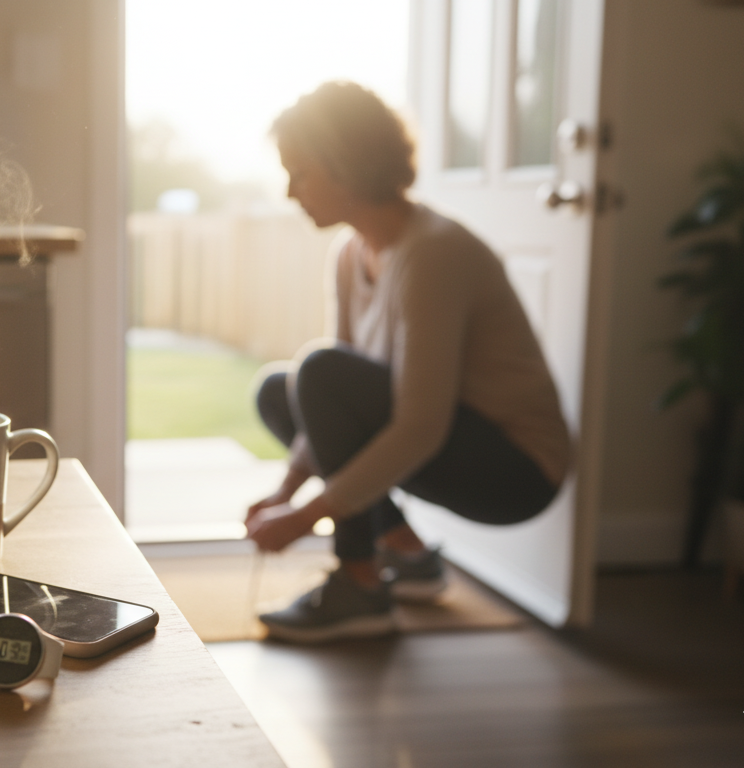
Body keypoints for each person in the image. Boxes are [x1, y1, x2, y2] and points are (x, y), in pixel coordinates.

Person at [245, 82, 572, 643]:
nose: (290, 191)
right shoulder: (351, 253)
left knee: (317, 371)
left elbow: (420, 427)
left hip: (516, 469)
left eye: (300, 172)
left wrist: (303, 518)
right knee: (282, 389)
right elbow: (325, 399)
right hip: (452, 439)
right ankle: (409, 557)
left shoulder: (435, 252)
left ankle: (361, 586)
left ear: (346, 165)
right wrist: (285, 491)